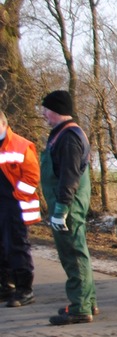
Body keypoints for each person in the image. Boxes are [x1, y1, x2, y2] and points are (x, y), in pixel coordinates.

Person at [40, 90, 96, 325]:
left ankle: (80, 307)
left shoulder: (69, 137)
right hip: (65, 203)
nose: (43, 114)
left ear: (57, 110)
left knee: (73, 254)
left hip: (68, 205)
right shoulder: (62, 134)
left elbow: (69, 175)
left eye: (45, 109)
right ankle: (86, 301)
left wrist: (61, 209)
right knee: (76, 252)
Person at [0, 111, 41, 307]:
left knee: (16, 246)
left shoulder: (20, 145)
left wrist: (16, 196)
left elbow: (32, 177)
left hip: (15, 205)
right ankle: (5, 287)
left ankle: (24, 289)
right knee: (2, 248)